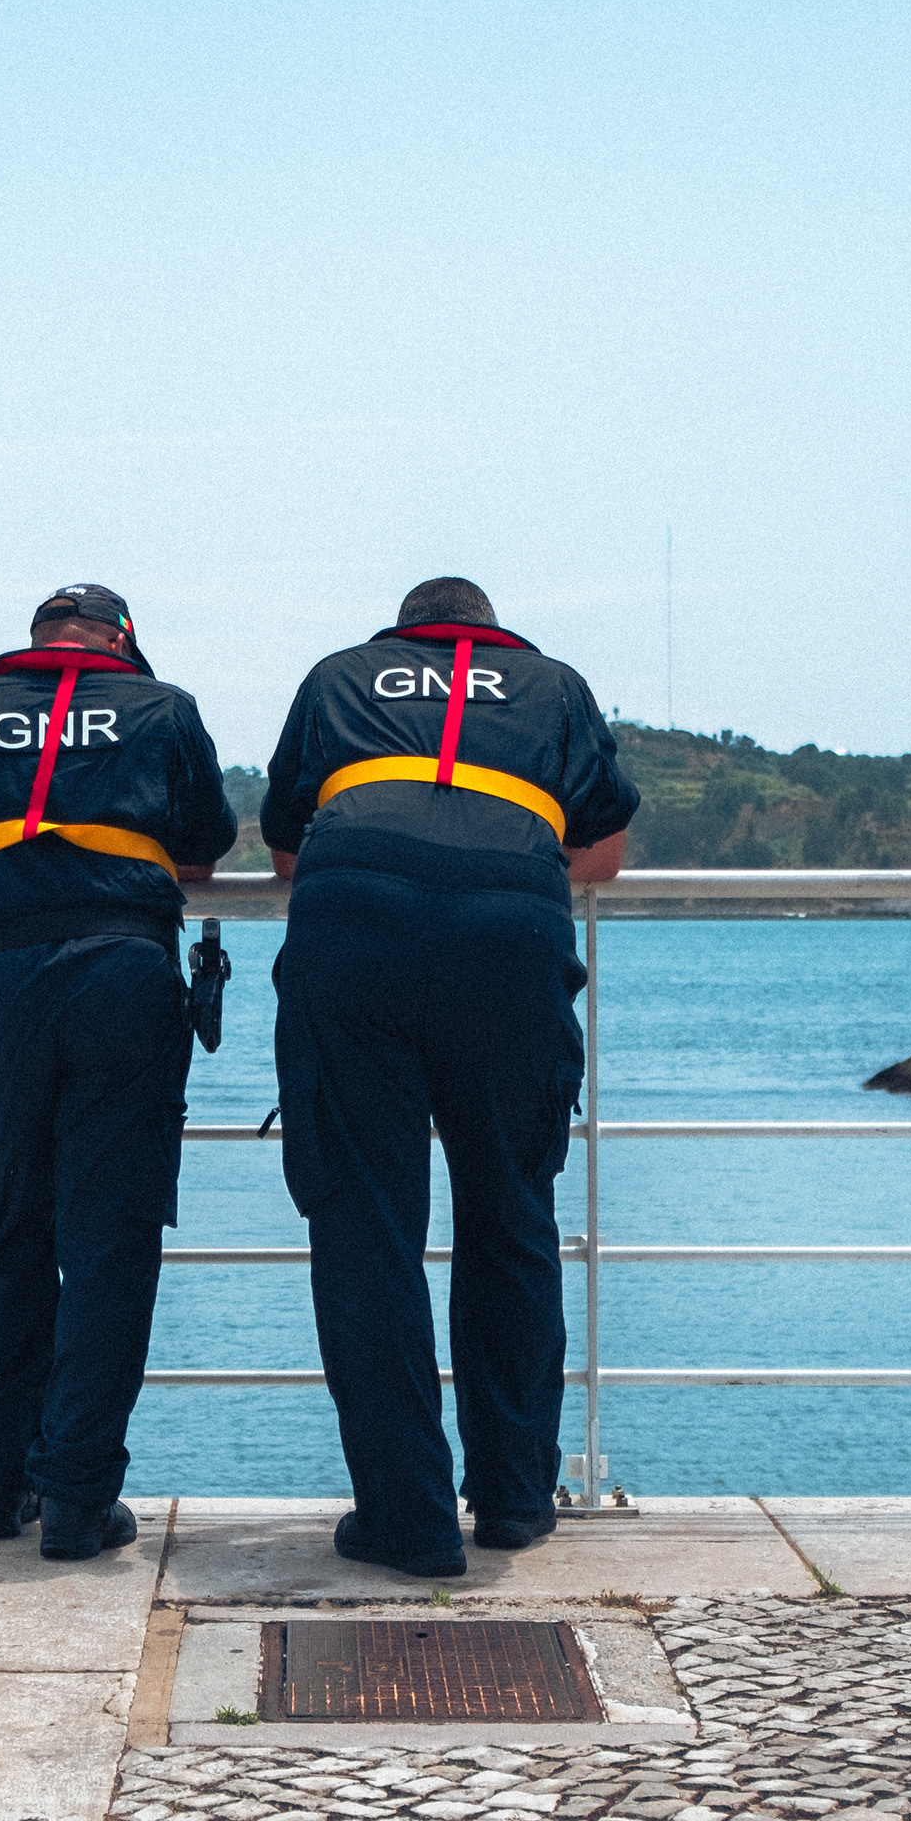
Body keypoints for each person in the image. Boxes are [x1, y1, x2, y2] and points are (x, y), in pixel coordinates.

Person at [256, 576, 638, 1580]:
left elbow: (287, 845)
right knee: (510, 1211)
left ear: (405, 627)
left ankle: (407, 1517)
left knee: (363, 1224)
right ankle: (514, 1498)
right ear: (492, 630)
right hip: (508, 935)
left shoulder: (339, 676)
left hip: (354, 927)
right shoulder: (555, 685)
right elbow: (604, 851)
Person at [0, 583, 239, 1561]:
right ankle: (78, 1494)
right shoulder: (161, 709)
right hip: (123, 977)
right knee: (110, 1242)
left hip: (2, 987)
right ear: (122, 640)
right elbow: (208, 844)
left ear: (34, 640)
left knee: (5, 1231)